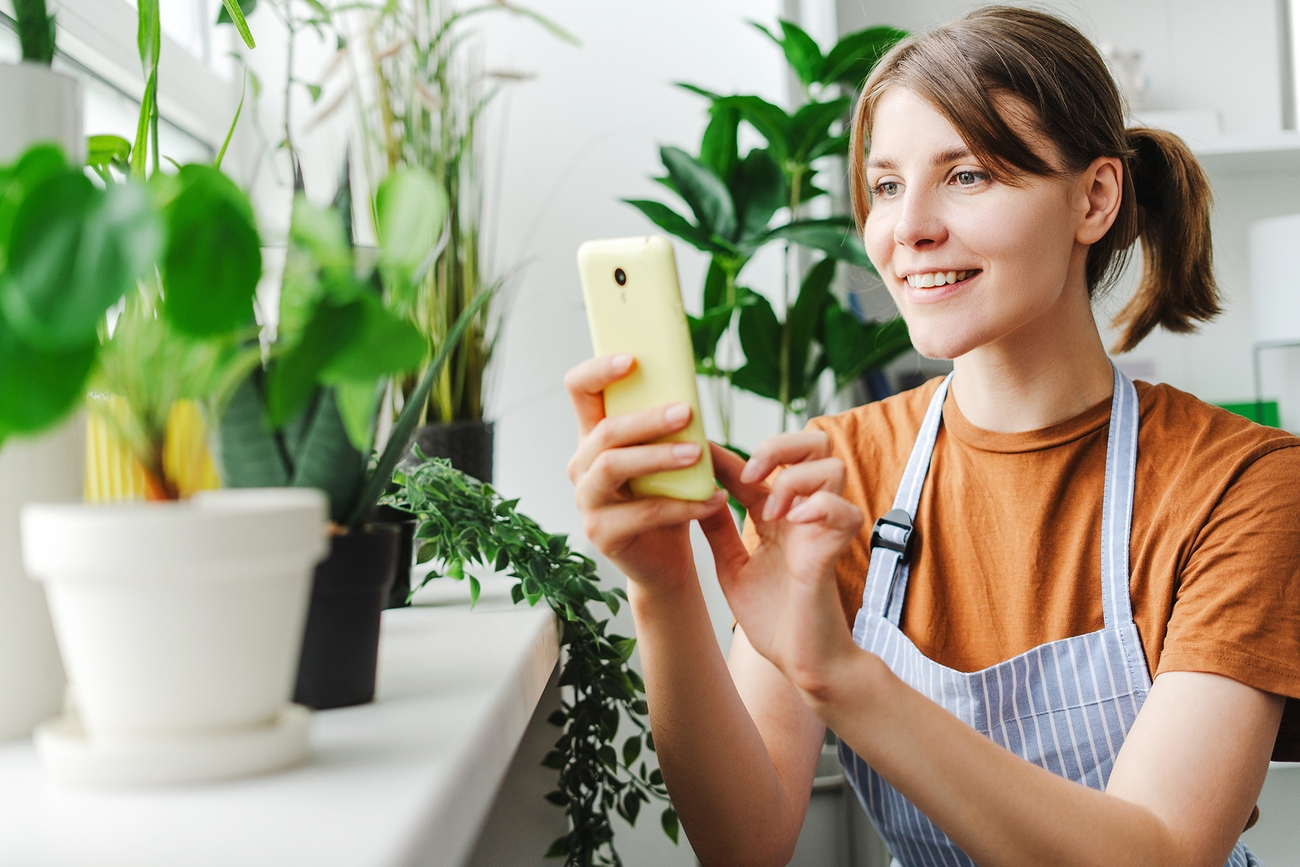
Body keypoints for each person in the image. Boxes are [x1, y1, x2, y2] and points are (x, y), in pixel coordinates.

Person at [564, 7, 1300, 866]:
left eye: (966, 176)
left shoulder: (1243, 484)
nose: (907, 228)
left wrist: (844, 677)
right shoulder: (831, 474)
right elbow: (747, 843)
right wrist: (661, 589)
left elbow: (1159, 853)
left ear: (1093, 197)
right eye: (884, 186)